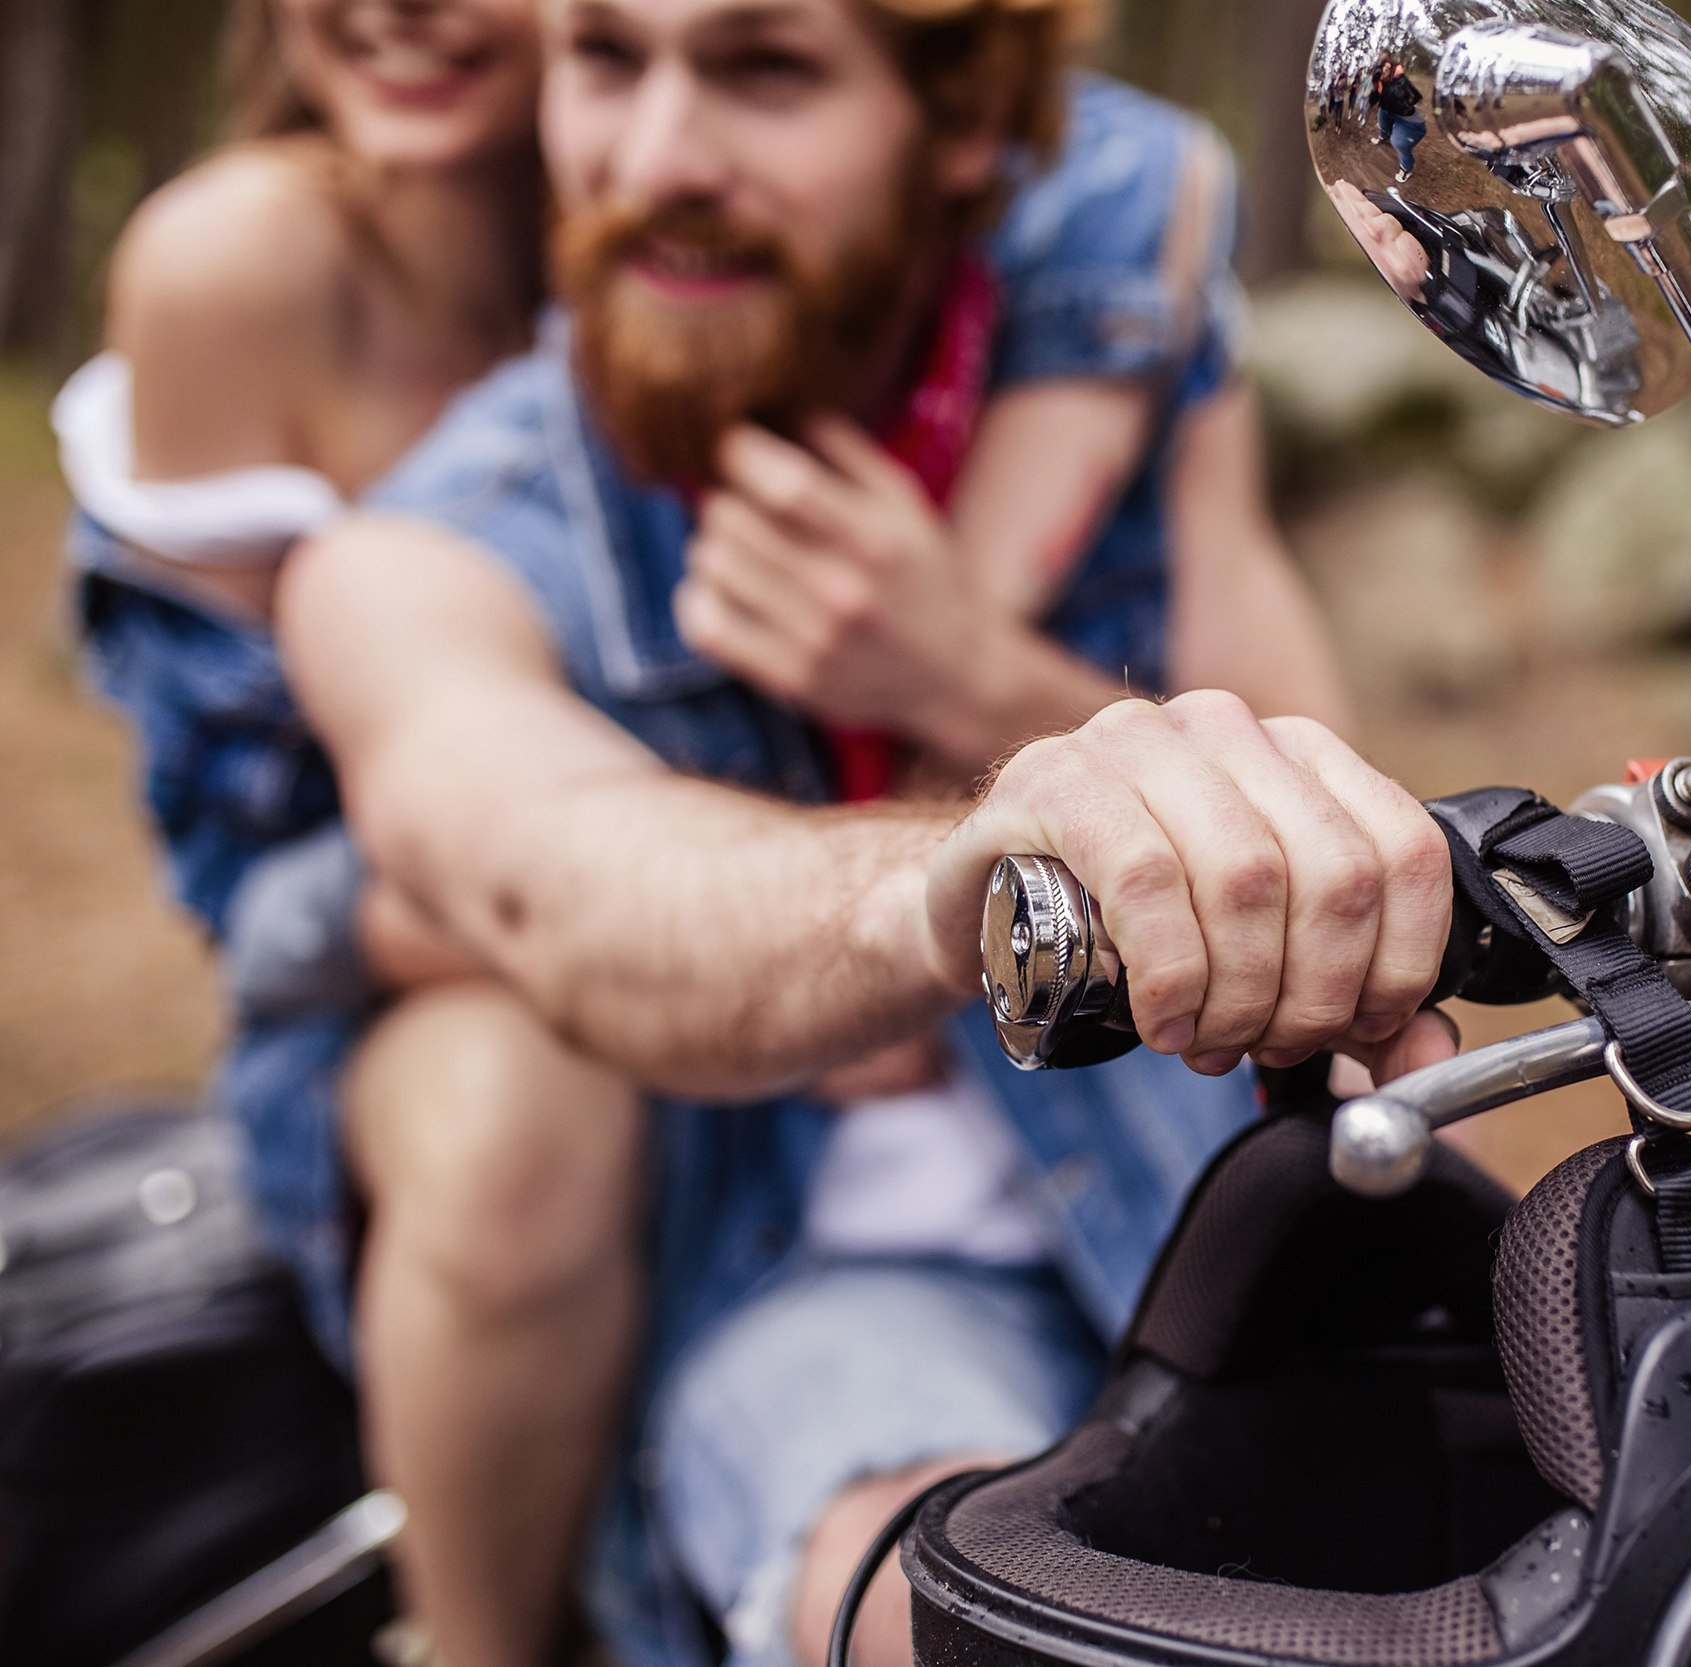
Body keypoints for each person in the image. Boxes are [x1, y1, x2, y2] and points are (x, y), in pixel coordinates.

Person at [58, 2, 1343, 1663]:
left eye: (767, 71)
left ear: (959, 125)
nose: (656, 160)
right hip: (796, 1274)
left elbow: (1317, 768)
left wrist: (963, 670)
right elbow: (568, 889)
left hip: (1256, 1214)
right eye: (605, 60)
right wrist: (932, 897)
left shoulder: (1108, 301)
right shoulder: (423, 542)